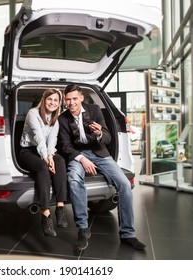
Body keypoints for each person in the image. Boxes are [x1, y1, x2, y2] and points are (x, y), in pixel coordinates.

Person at [57, 83, 145, 250]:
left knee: (125, 184)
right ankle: (83, 229)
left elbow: (107, 138)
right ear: (64, 101)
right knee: (74, 180)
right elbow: (65, 146)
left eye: (75, 98)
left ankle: (128, 234)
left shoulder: (95, 110)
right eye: (68, 100)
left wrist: (99, 133)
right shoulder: (62, 119)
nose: (71, 103)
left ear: (81, 98)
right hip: (78, 155)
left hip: (99, 152)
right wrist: (82, 159)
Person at [20, 88, 68, 237]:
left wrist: (51, 156)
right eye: (50, 99)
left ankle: (60, 208)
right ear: (44, 99)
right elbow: (39, 137)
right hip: (28, 151)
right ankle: (46, 215)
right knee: (42, 167)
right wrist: (46, 158)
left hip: (45, 150)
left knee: (60, 161)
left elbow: (52, 140)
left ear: (59, 103)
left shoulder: (56, 117)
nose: (52, 103)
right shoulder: (33, 113)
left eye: (56, 100)